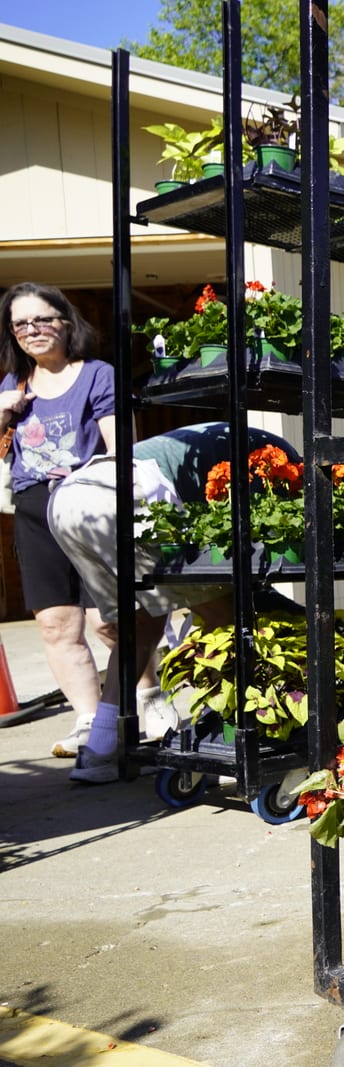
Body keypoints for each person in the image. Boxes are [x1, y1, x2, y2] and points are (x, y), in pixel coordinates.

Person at [47, 421, 300, 783]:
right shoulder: (277, 465)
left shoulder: (224, 439)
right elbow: (251, 560)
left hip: (68, 501)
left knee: (138, 625)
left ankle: (100, 750)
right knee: (224, 615)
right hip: (124, 498)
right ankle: (236, 729)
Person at [0, 283, 122, 746]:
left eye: (42, 319)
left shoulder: (96, 374)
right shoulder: (13, 384)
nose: (32, 330)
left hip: (88, 503)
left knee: (106, 622)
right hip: (35, 508)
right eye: (21, 324)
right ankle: (90, 721)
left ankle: (147, 699)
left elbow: (118, 447)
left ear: (65, 322)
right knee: (56, 622)